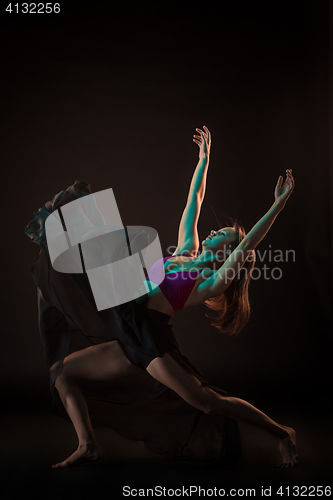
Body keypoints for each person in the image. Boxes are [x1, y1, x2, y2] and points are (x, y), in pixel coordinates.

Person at [26, 126, 297, 469]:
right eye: (219, 230)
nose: (215, 231)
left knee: (209, 403)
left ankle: (281, 432)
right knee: (61, 373)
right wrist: (205, 159)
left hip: (152, 339)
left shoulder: (206, 282)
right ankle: (88, 445)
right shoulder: (185, 249)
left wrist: (278, 204)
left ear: (226, 252)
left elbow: (248, 245)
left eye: (223, 236)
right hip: (128, 326)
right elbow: (195, 198)